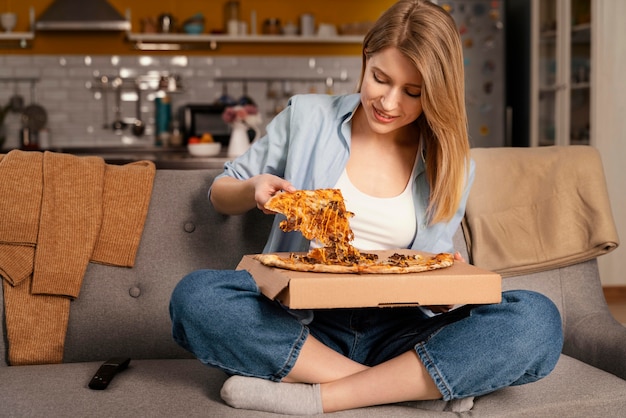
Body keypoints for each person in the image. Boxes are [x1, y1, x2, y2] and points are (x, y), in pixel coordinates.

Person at [169, 0, 563, 415]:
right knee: (196, 297)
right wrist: (252, 188)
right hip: (306, 326)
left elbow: (435, 266)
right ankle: (408, 388)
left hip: (405, 329)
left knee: (537, 319)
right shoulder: (307, 116)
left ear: (437, 94)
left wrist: (448, 287)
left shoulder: (454, 165)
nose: (390, 103)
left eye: (413, 93)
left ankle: (321, 395)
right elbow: (219, 190)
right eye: (380, 79)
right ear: (366, 57)